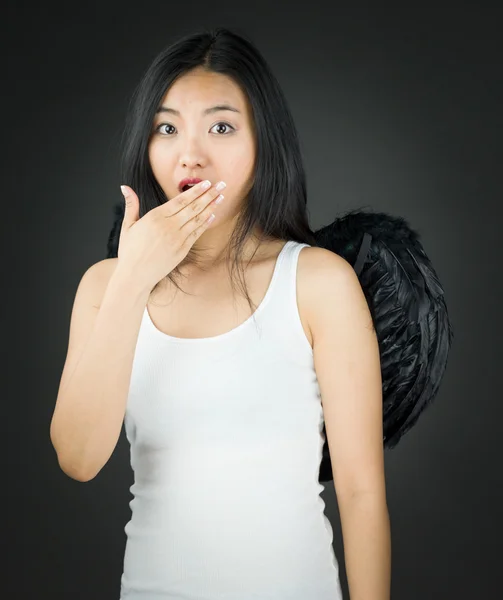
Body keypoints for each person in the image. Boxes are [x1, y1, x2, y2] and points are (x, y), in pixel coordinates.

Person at [50, 27, 391, 600]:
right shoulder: (105, 287)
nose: (191, 154)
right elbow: (79, 459)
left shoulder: (317, 283)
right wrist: (133, 276)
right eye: (167, 128)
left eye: (222, 126)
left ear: (265, 144)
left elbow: (360, 492)